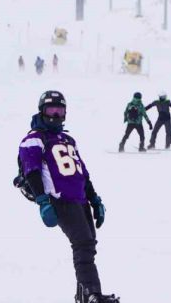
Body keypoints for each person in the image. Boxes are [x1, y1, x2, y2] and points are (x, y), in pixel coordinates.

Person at [17, 91, 119, 303]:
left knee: (89, 244)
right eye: (50, 110)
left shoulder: (68, 139)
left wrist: (94, 199)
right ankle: (92, 295)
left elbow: (82, 172)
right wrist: (43, 201)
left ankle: (84, 295)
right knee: (82, 244)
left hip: (79, 199)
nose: (55, 115)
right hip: (60, 200)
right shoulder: (33, 139)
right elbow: (31, 171)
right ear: (41, 112)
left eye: (60, 110)